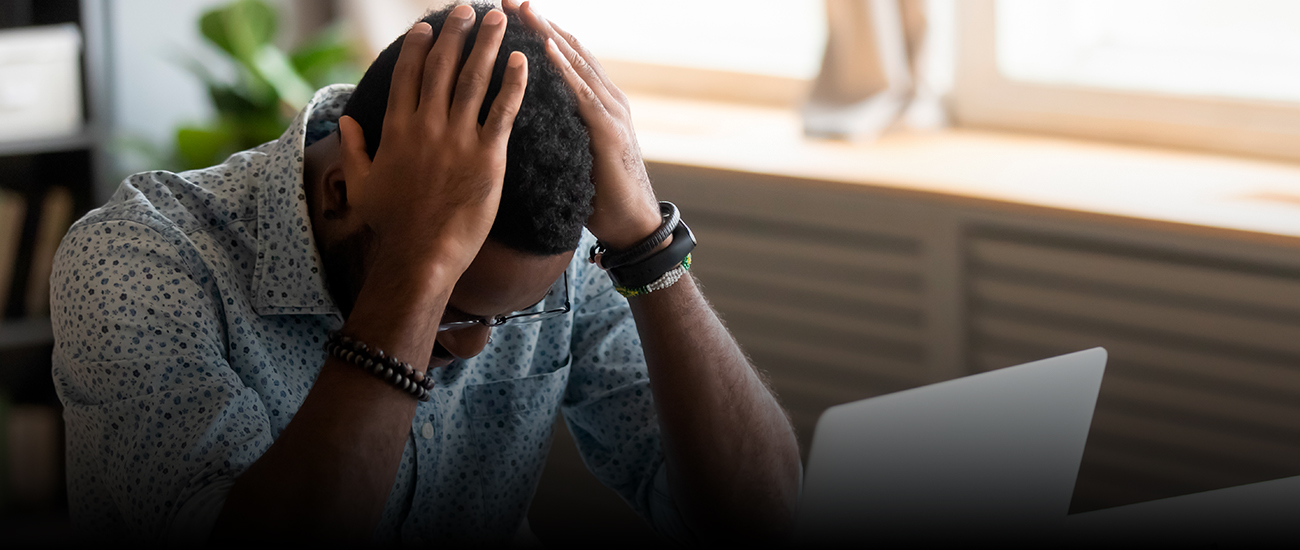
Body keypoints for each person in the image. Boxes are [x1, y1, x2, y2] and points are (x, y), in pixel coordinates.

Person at [50, 1, 800, 544]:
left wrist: (646, 249)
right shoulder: (136, 261)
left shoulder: (551, 249)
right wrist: (417, 274)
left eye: (502, 320)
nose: (476, 349)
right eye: (457, 310)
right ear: (343, 188)